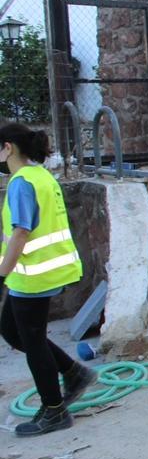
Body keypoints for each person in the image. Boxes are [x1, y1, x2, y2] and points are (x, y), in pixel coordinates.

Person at [0, 123, 96, 437]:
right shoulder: (39, 176)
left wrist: (2, 274)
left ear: (8, 148)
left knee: (31, 339)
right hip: (41, 272)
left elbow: (21, 231)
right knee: (13, 331)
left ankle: (54, 410)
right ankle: (73, 372)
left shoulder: (22, 182)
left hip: (34, 275)